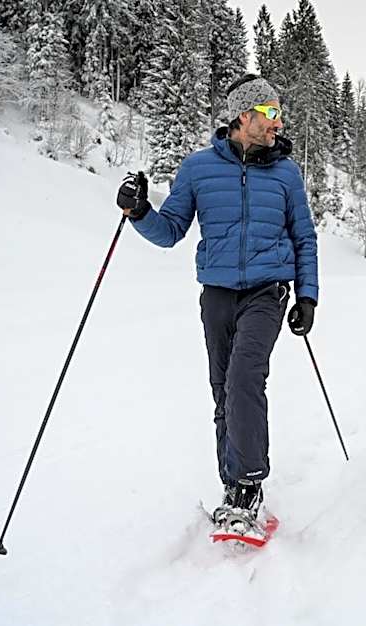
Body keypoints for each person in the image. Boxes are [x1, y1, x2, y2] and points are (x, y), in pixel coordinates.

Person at [116, 74, 319, 533]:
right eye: (270, 113)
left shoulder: (286, 172)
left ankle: (249, 485)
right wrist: (139, 212)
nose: (277, 123)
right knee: (222, 388)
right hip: (218, 293)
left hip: (267, 290)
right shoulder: (198, 168)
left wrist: (307, 295)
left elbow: (304, 237)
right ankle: (233, 484)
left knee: (245, 375)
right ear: (243, 116)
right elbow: (169, 232)